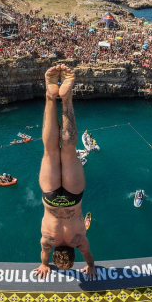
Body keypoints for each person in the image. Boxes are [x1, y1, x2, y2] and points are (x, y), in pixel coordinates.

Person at [34, 65, 95, 280]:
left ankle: (66, 98)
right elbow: (44, 254)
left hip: (73, 198)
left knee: (68, 151)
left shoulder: (79, 240)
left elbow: (88, 255)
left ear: (72, 251)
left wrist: (91, 267)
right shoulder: (47, 241)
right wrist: (44, 265)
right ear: (56, 254)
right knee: (50, 151)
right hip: (50, 199)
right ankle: (51, 97)